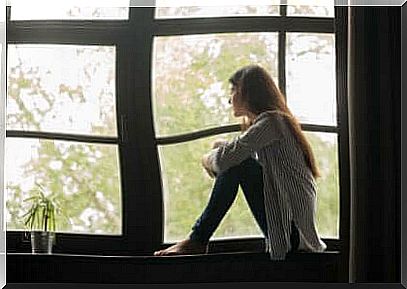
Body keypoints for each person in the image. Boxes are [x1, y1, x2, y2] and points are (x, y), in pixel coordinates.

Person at [154, 64, 327, 260]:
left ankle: (197, 240)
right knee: (237, 161)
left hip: (295, 239)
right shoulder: (275, 125)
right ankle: (197, 240)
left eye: (232, 90)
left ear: (246, 91)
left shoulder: (271, 122)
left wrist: (206, 159)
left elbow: (225, 160)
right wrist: (222, 148)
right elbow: (236, 155)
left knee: (237, 163)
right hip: (291, 236)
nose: (229, 99)